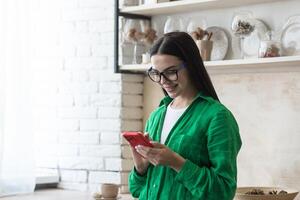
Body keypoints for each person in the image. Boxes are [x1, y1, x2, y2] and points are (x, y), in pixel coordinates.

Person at [128, 31, 242, 200]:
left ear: (191, 65)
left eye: (171, 71)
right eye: (156, 73)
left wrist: (176, 162)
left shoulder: (218, 117)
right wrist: (140, 168)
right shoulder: (156, 116)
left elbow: (223, 192)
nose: (163, 81)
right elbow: (137, 190)